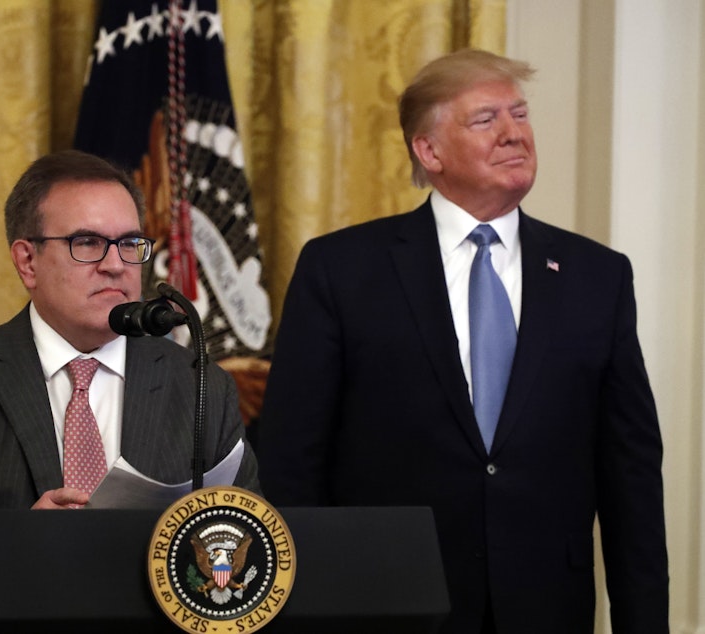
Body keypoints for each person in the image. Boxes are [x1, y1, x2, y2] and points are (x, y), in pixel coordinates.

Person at [258, 49, 668, 634]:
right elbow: (293, 462)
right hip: (386, 603)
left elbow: (631, 473)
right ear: (429, 151)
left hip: (547, 607)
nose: (514, 134)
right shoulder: (342, 269)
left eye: (520, 115)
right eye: (486, 120)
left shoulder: (597, 275)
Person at [0, 150, 260, 629]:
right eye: (88, 242)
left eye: (129, 243)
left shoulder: (201, 382)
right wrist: (18, 539)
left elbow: (251, 533)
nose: (116, 265)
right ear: (27, 261)